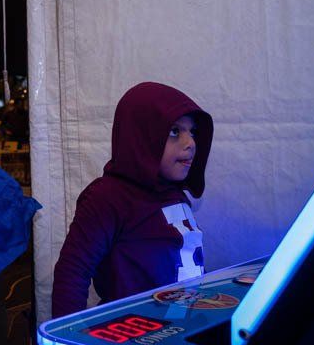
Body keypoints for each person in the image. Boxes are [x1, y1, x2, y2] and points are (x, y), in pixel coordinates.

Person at [51, 82, 214, 318]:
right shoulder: (107, 197)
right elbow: (73, 272)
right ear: (141, 136)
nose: (191, 143)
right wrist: (65, 335)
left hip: (183, 329)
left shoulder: (175, 194)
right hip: (134, 333)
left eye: (193, 132)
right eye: (174, 131)